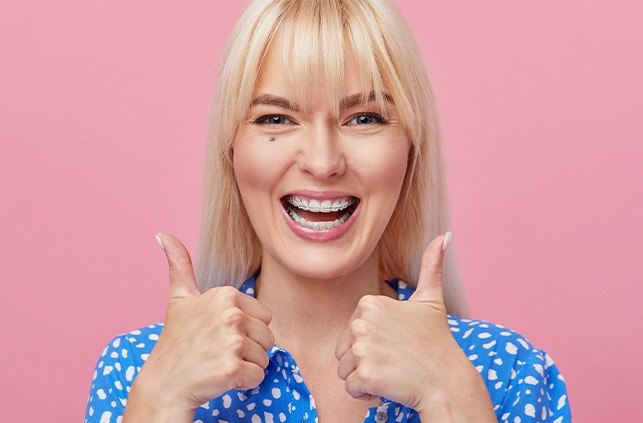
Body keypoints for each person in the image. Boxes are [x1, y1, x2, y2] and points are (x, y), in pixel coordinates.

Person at [84, 1, 571, 422]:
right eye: (276, 118)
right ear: (232, 153)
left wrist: (450, 397)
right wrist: (159, 400)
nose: (322, 162)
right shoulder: (137, 370)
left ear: (411, 151)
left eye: (364, 118)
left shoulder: (509, 374)